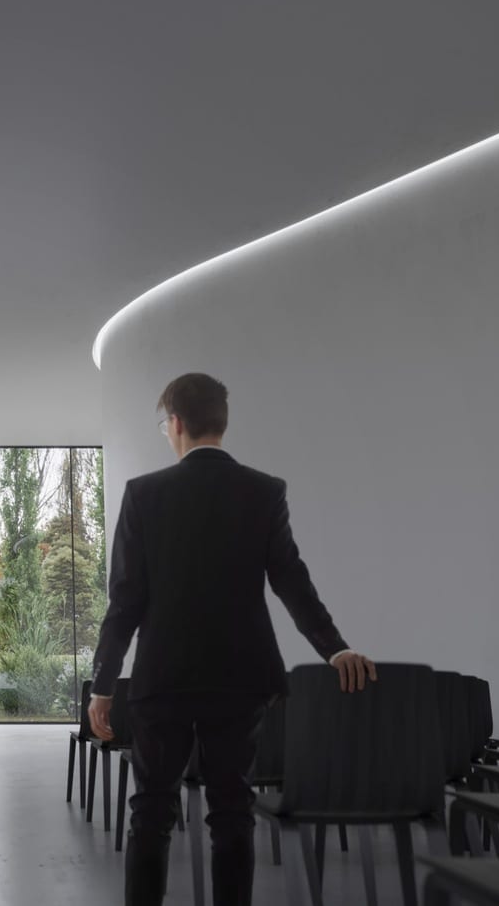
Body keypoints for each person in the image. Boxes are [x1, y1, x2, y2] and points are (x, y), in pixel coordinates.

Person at [88, 372, 376, 906]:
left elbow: (125, 601)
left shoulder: (144, 494)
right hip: (241, 679)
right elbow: (292, 580)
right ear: (223, 423)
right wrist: (333, 647)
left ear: (174, 423)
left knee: (151, 811)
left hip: (163, 678)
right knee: (232, 811)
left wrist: (102, 685)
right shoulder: (264, 492)